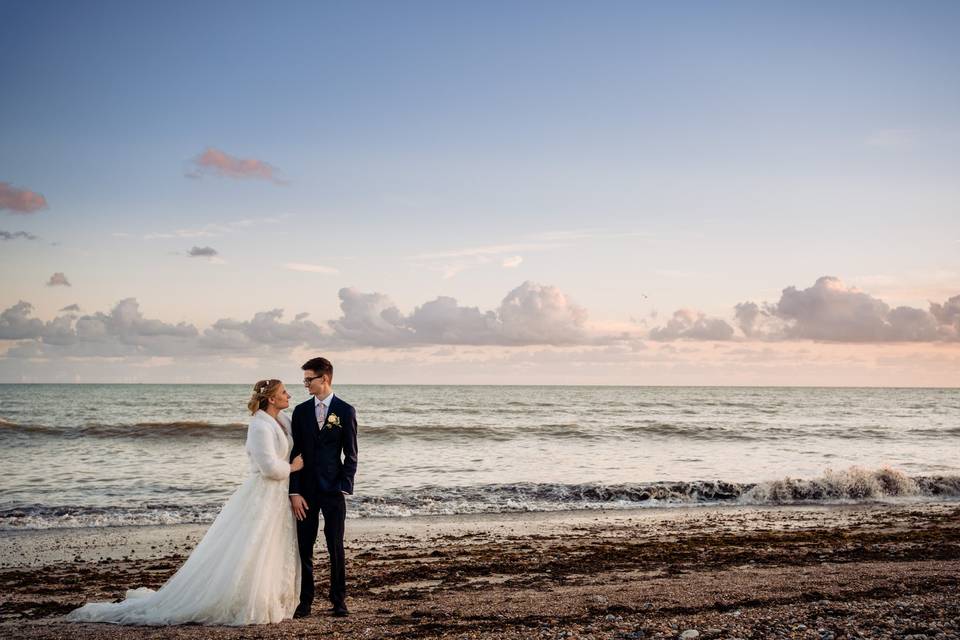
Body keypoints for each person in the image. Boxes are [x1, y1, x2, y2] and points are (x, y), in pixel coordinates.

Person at [66, 380, 304, 626]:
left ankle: (270, 595)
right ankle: (245, 599)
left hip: (279, 495)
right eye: (284, 392)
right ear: (271, 399)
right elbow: (268, 467)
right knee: (255, 545)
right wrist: (293, 467)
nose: (289, 395)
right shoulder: (259, 426)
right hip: (264, 493)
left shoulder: (282, 419)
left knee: (273, 546)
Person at [289, 357, 358, 618]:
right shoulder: (300, 411)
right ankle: (305, 601)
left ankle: (338, 600)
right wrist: (294, 491)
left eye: (309, 379)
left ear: (324, 379)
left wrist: (343, 486)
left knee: (335, 546)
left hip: (333, 491)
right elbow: (295, 453)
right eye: (305, 379)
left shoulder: (345, 410)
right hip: (305, 492)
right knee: (304, 547)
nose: (305, 384)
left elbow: (351, 454)